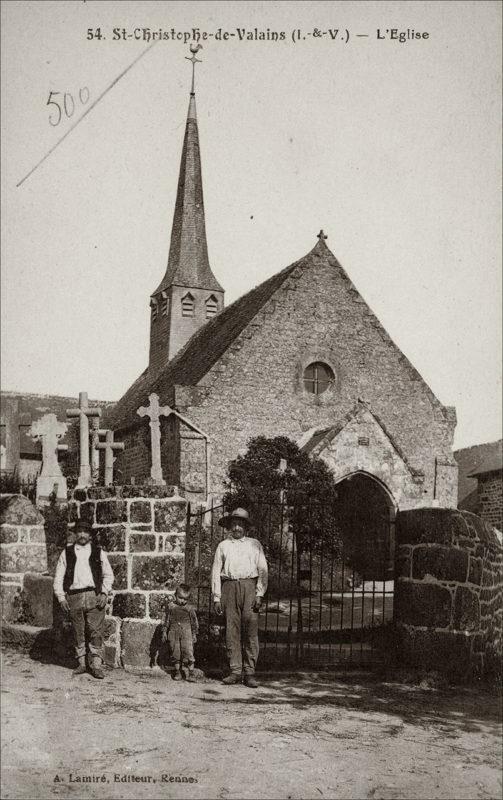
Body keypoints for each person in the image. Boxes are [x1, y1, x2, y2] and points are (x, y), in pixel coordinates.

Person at [211, 507, 268, 688]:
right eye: (234, 524)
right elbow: (215, 572)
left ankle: (249, 672)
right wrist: (217, 597)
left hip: (249, 587)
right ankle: (235, 671)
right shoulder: (223, 546)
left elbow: (263, 570)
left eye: (240, 524)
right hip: (229, 587)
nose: (237, 528)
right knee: (231, 630)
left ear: (246, 527)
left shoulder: (254, 544)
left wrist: (260, 593)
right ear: (229, 526)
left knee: (250, 629)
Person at [53, 519, 114, 679]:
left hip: (94, 596)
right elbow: (58, 577)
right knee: (77, 631)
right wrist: (61, 597)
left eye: (85, 531)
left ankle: (96, 665)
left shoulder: (98, 552)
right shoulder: (66, 552)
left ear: (90, 535)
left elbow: (108, 574)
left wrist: (104, 593)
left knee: (96, 631)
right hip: (74, 597)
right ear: (75, 533)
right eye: (79, 531)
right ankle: (81, 663)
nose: (82, 534)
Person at [161, 583, 199, 681]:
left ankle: (191, 673)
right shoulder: (171, 607)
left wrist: (194, 634)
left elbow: (194, 622)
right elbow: (166, 620)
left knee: (189, 652)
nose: (183, 601)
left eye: (185, 599)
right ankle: (177, 672)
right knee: (175, 652)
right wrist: (164, 631)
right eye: (180, 598)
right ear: (175, 595)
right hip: (174, 633)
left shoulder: (190, 609)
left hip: (187, 633)